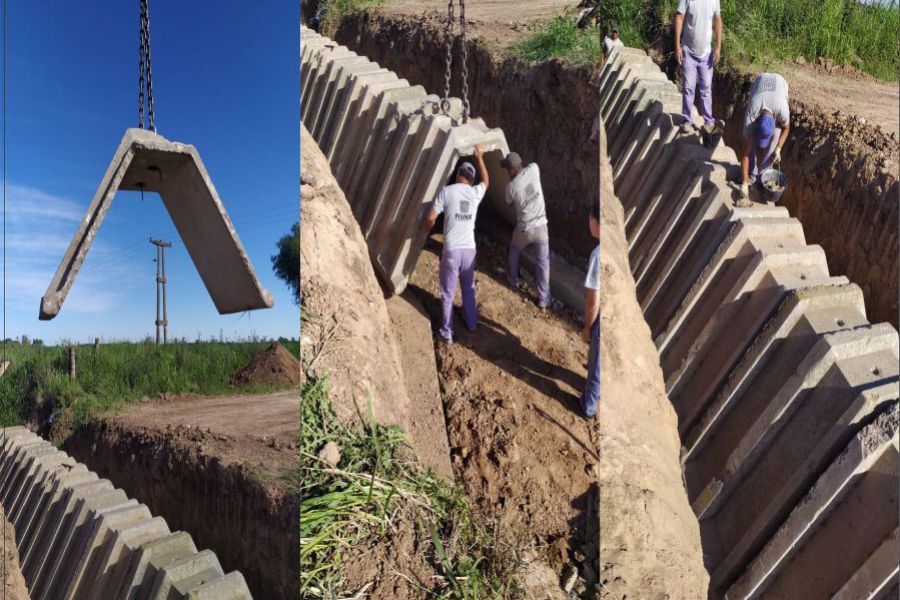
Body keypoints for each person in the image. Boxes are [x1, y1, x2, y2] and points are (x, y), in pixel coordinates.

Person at [423, 146, 490, 344]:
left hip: (451, 250)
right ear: (471, 179)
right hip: (469, 250)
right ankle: (472, 323)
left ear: (458, 175)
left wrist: (427, 228)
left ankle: (446, 333)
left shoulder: (447, 191)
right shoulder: (475, 193)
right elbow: (487, 181)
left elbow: (430, 217)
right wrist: (480, 158)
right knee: (468, 288)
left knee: (447, 293)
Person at [502, 152, 551, 309]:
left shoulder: (511, 187)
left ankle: (512, 278)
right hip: (542, 226)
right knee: (543, 262)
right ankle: (544, 298)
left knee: (515, 249)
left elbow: (509, 203)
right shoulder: (534, 169)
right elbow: (531, 165)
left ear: (510, 171)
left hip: (525, 229)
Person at [739, 72, 790, 201]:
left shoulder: (782, 109)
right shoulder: (751, 115)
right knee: (749, 146)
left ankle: (763, 175)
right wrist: (744, 184)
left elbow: (786, 128)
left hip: (780, 81)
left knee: (777, 134)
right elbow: (744, 155)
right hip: (760, 80)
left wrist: (778, 149)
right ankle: (751, 174)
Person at [674, 0, 723, 134]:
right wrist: (677, 45)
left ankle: (708, 121)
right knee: (688, 87)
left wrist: (718, 46)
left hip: (706, 54)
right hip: (688, 51)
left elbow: (717, 19)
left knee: (706, 88)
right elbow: (679, 17)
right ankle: (687, 120)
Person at [581, 201, 601, 418]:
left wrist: (588, 328)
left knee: (596, 367)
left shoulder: (597, 255)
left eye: (590, 220)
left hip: (602, 320)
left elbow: (593, 301)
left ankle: (588, 406)